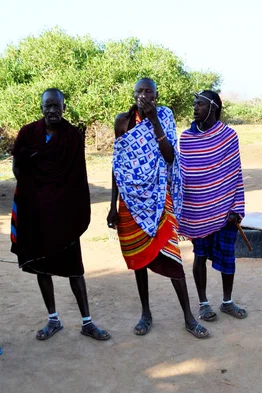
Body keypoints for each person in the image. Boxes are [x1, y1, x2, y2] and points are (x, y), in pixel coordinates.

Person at [107, 78, 209, 338]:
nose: (144, 95)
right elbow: (117, 166)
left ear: (156, 95)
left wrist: (154, 121)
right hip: (129, 200)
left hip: (159, 198)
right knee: (139, 258)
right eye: (139, 91)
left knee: (172, 256)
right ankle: (145, 313)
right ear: (133, 94)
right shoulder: (122, 122)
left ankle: (188, 316)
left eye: (148, 92)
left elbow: (170, 156)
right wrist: (112, 206)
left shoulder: (164, 116)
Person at [11, 88, 110, 341]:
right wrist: (35, 195)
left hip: (64, 216)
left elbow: (77, 178)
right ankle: (53, 319)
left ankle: (87, 322)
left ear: (64, 108)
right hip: (35, 213)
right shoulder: (27, 133)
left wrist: (65, 208)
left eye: (57, 106)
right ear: (41, 107)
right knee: (42, 268)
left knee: (75, 269)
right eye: (48, 106)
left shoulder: (73, 137)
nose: (52, 110)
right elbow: (18, 167)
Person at [179, 90, 247, 322]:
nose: (195, 108)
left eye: (199, 104)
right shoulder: (186, 139)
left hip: (225, 209)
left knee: (228, 257)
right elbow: (184, 176)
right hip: (198, 209)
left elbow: (235, 173)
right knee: (199, 255)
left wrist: (236, 208)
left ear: (213, 107)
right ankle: (204, 303)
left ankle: (227, 301)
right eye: (194, 103)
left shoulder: (229, 136)